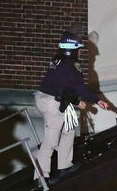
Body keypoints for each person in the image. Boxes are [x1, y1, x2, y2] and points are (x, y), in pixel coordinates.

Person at [35, 29, 108, 181]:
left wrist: (76, 101)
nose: (79, 53)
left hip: (51, 98)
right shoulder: (70, 65)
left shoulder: (57, 60)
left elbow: (63, 86)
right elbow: (79, 87)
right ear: (71, 50)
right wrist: (97, 100)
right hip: (52, 102)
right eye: (78, 50)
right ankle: (41, 176)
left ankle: (64, 165)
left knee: (69, 128)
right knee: (51, 140)